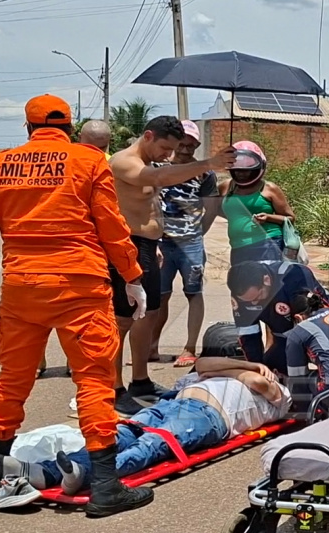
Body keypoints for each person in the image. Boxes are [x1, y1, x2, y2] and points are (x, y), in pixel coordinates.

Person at [0, 93, 153, 516]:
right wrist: (133, 277)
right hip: (81, 284)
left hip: (23, 287)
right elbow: (112, 227)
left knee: (12, 379)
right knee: (95, 380)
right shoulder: (89, 160)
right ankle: (105, 486)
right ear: (69, 127)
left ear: (28, 128)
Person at [0, 342, 292, 502]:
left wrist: (250, 371)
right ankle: (46, 472)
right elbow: (202, 364)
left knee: (152, 444)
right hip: (172, 404)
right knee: (121, 432)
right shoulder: (235, 368)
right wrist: (249, 363)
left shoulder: (281, 393)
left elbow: (259, 384)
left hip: (208, 417)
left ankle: (83, 474)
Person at [108, 116, 236, 415]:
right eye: (165, 148)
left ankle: (140, 380)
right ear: (148, 136)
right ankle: (113, 388)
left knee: (148, 315)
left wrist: (156, 242)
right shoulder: (124, 162)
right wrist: (210, 163)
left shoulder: (150, 163)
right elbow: (159, 179)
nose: (168, 155)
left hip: (149, 247)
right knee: (122, 320)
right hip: (129, 246)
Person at [149, 120, 220, 368]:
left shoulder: (204, 173)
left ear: (197, 145)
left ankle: (189, 347)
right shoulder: (157, 167)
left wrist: (197, 233)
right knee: (159, 296)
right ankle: (152, 345)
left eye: (191, 146)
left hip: (190, 243)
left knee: (193, 292)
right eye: (182, 145)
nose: (185, 150)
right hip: (161, 242)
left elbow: (211, 208)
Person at [226, 260, 329, 372]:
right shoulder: (240, 290)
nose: (254, 303)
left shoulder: (294, 275)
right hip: (283, 335)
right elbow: (248, 335)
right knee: (271, 370)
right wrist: (257, 368)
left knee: (326, 369)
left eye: (257, 297)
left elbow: (311, 319)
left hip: (323, 330)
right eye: (248, 302)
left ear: (266, 280)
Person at [216, 141, 296, 267]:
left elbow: (290, 218)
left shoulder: (269, 188)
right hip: (238, 246)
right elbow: (212, 206)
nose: (241, 174)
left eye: (246, 171)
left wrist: (268, 217)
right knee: (241, 284)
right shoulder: (226, 186)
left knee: (265, 283)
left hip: (267, 244)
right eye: (237, 170)